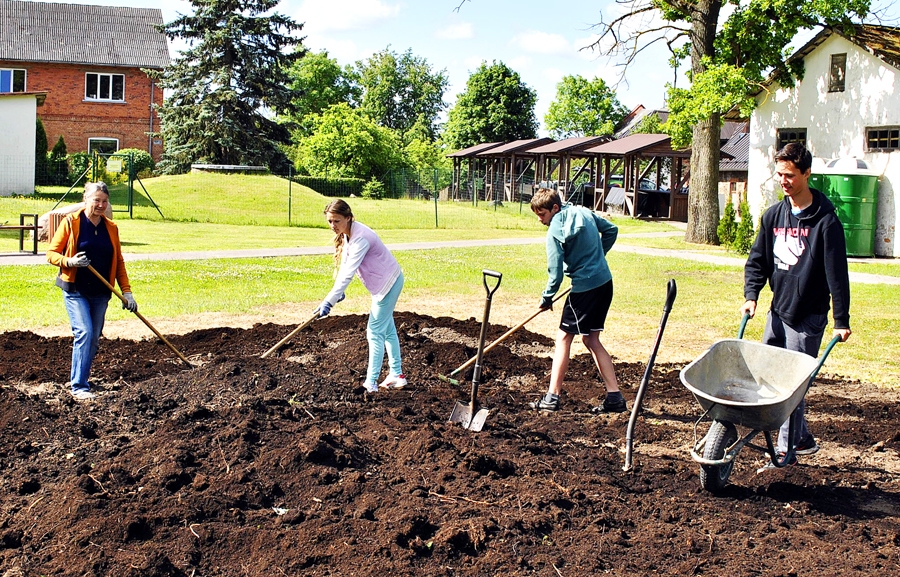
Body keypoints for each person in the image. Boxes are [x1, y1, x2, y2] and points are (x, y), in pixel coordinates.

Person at [741, 142, 852, 469]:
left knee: (792, 385)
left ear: (806, 173)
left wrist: (841, 319)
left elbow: (837, 274)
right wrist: (751, 295)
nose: (783, 181)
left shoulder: (826, 222)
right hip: (778, 311)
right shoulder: (773, 216)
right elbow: (757, 261)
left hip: (808, 316)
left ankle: (785, 452)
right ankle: (800, 438)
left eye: (789, 175)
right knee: (768, 377)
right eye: (779, 174)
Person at [528, 188, 624, 413]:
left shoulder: (555, 230)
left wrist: (547, 298)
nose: (540, 220)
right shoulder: (584, 212)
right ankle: (615, 398)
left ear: (555, 208)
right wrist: (597, 258)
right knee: (591, 339)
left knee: (563, 338)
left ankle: (552, 397)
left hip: (585, 289)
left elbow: (555, 273)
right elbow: (611, 230)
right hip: (604, 283)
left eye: (542, 214)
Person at [47, 182, 138, 400]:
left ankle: (83, 379)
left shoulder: (111, 227)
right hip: (75, 289)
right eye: (96, 200)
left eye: (105, 201)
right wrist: (70, 261)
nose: (101, 205)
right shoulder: (71, 222)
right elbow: (51, 254)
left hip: (101, 292)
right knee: (85, 332)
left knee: (94, 338)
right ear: (85, 199)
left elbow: (118, 261)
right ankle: (78, 386)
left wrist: (127, 292)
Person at [316, 199, 405, 393]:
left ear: (348, 218)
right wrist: (336, 295)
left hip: (388, 284)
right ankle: (397, 375)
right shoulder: (348, 234)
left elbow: (348, 272)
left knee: (375, 332)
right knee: (388, 330)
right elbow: (344, 268)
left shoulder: (361, 238)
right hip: (382, 286)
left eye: (337, 221)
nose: (333, 225)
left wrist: (329, 301)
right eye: (330, 221)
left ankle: (370, 383)